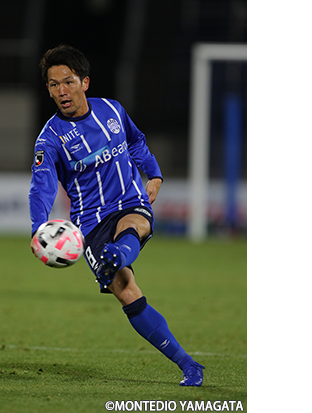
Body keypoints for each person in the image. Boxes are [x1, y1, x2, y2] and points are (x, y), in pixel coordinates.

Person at [28, 45, 204, 386]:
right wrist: (39, 229)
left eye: (68, 82)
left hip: (129, 200)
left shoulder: (112, 110)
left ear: (85, 82)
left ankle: (119, 253)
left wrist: (154, 173)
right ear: (48, 90)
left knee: (134, 225)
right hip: (91, 222)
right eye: (53, 84)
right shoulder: (50, 139)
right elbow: (42, 187)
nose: (62, 91)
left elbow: (136, 141)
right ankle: (189, 365)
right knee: (128, 293)